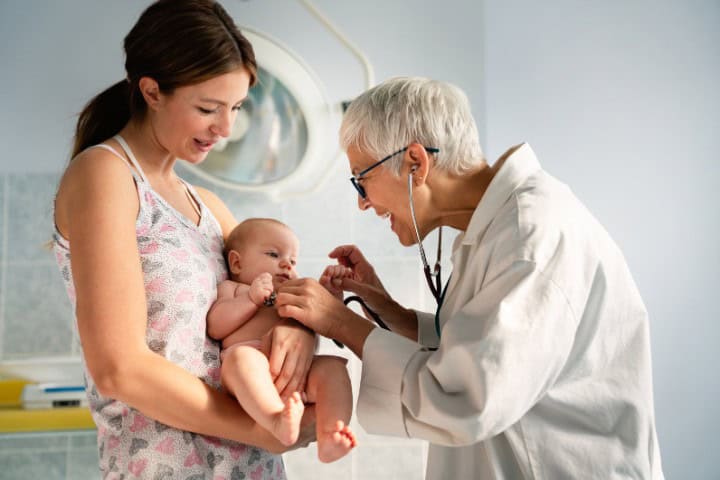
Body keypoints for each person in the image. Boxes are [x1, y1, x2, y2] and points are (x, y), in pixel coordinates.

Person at [276, 76, 665, 479]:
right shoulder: (496, 229)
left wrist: (338, 321)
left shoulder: (530, 238)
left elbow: (468, 398)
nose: (363, 203)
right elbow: (476, 346)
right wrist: (390, 311)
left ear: (415, 163)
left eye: (362, 180)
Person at [52, 1, 318, 478]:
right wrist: (260, 428)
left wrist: (297, 331)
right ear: (152, 91)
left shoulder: (211, 210)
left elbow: (260, 311)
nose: (227, 129)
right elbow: (120, 368)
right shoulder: (105, 176)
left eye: (236, 108)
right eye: (207, 109)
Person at [206, 218, 356, 463]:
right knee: (240, 359)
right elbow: (215, 326)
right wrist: (250, 300)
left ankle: (331, 431)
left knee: (333, 368)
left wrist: (334, 295)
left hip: (299, 373)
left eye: (293, 260)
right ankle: (276, 420)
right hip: (252, 373)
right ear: (236, 262)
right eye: (274, 254)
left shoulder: (292, 292)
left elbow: (327, 323)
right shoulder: (233, 289)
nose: (286, 264)